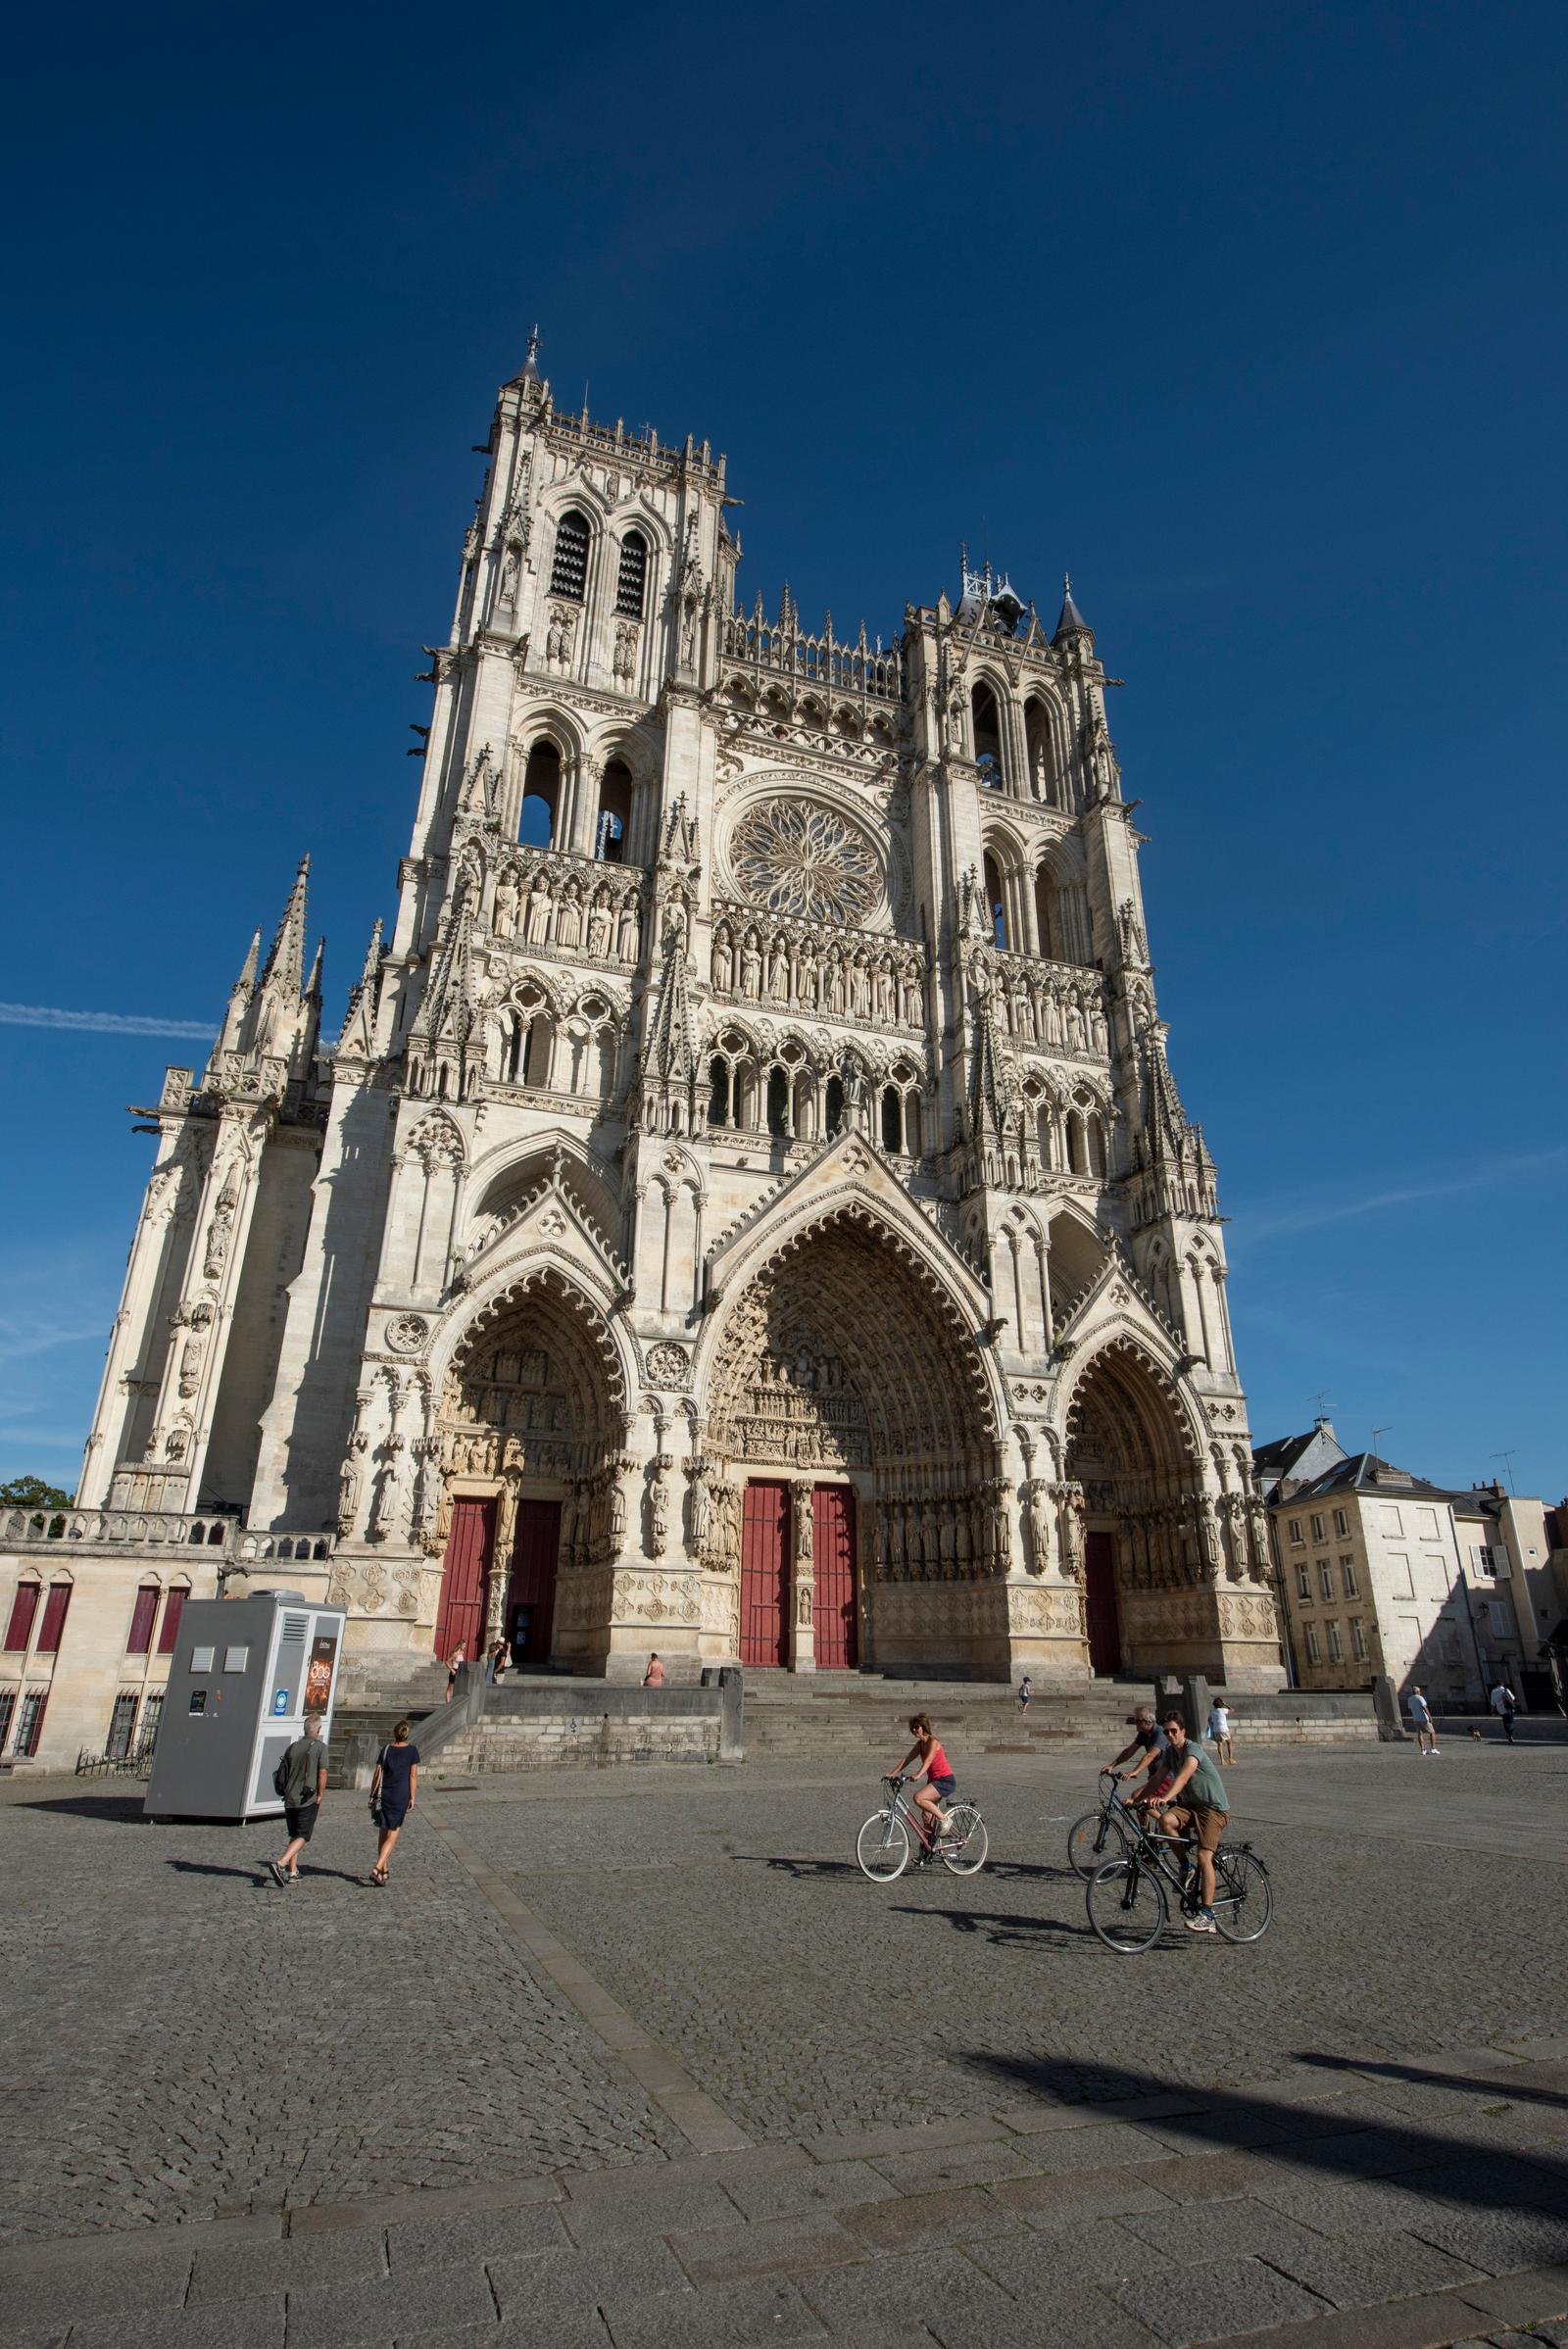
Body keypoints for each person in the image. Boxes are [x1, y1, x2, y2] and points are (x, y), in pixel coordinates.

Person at [1149, 1710, 1229, 1933]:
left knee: (1204, 1856)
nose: (1171, 1735)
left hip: (1212, 1808)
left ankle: (1208, 1914)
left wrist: (1165, 1797)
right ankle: (1186, 1867)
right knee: (1166, 1821)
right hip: (1191, 1807)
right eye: (1167, 1732)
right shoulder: (1170, 1753)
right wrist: (1136, 1799)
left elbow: (1183, 1777)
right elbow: (1157, 1778)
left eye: (1174, 1731)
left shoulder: (1193, 1750)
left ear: (1183, 1731)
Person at [269, 1715, 328, 1886]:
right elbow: (323, 1772)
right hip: (306, 1798)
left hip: (289, 1797)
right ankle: (281, 1864)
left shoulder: (292, 1747)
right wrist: (321, 1794)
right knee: (303, 1835)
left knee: (294, 1834)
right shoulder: (320, 1747)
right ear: (317, 1730)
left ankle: (293, 1872)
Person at [893, 1713, 956, 1845]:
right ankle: (928, 1848)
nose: (915, 1730)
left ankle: (945, 1820)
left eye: (917, 1727)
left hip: (945, 1780)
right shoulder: (920, 1744)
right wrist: (892, 1773)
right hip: (934, 1781)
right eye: (912, 1728)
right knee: (926, 1816)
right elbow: (907, 1759)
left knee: (919, 1798)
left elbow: (928, 1761)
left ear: (924, 1727)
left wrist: (918, 1774)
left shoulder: (933, 1742)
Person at [368, 1721, 419, 1884]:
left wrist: (372, 1794)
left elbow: (377, 1773)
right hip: (400, 1795)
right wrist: (413, 1796)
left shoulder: (386, 1750)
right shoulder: (412, 1751)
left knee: (383, 1831)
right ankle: (377, 1867)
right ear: (407, 1734)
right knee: (393, 1832)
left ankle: (384, 1870)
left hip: (385, 1795)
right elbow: (413, 1776)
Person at [1408, 1685, 1439, 1757]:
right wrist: (1429, 1716)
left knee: (1420, 1733)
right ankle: (1433, 1748)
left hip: (1415, 1718)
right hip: (1423, 1718)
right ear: (1418, 1691)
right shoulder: (1420, 1698)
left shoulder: (1410, 1699)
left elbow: (1410, 1708)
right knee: (1432, 1732)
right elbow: (1424, 1707)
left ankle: (1423, 1750)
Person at [1207, 1698, 1235, 1766]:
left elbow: (1209, 1720)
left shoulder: (1212, 1711)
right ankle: (1230, 1759)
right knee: (1229, 1742)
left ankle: (1222, 1760)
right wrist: (1225, 1704)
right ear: (1221, 1704)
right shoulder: (1223, 1710)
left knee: (1219, 1744)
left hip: (1216, 1730)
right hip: (1224, 1729)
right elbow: (1232, 1710)